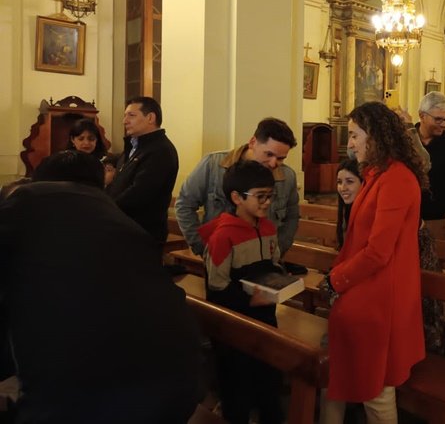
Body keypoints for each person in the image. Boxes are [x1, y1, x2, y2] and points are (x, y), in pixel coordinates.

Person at [0, 151, 202, 423]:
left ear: (38, 180)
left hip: (78, 404)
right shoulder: (123, 223)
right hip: (178, 392)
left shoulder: (24, 201)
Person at [323, 102, 427, 424]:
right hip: (367, 290)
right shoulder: (377, 175)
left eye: (355, 135)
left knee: (378, 389)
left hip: (382, 297)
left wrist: (336, 280)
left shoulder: (396, 179)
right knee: (344, 376)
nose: (350, 144)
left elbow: (378, 252)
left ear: (376, 135)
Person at [199, 160, 284, 424]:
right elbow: (217, 287)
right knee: (237, 389)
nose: (267, 203)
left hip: (265, 317)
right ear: (237, 198)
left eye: (270, 196)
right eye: (260, 196)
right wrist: (250, 298)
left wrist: (281, 282)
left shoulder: (268, 228)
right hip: (234, 327)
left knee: (269, 381)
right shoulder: (223, 236)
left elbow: (275, 263)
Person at [175, 117, 299, 257]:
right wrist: (202, 247)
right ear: (253, 142)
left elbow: (292, 217)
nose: (273, 163)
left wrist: (277, 250)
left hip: (264, 256)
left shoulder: (287, 177)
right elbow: (185, 205)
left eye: (281, 158)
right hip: (220, 255)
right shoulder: (213, 164)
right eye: (269, 154)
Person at [106, 96, 179, 245]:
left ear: (150, 118)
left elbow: (139, 193)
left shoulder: (160, 150)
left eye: (131, 115)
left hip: (142, 232)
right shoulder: (135, 146)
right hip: (122, 227)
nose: (125, 121)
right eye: (125, 115)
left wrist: (105, 207)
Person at [414, 92, 445, 240]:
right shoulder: (405, 141)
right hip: (405, 216)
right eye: (438, 119)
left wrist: (441, 204)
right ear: (422, 115)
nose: (443, 124)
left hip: (436, 219)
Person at [335, 158, 362, 250]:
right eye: (339, 182)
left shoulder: (367, 214)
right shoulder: (345, 211)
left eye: (349, 181)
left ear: (363, 182)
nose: (343, 188)